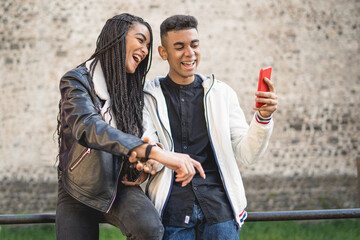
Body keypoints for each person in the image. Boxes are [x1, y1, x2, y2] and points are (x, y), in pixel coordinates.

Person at [55, 13, 204, 240]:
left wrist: (144, 164)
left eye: (148, 45)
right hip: (77, 189)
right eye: (140, 40)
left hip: (119, 186)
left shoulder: (132, 90)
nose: (145, 50)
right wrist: (155, 153)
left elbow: (139, 137)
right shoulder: (76, 81)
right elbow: (87, 126)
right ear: (117, 38)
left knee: (150, 229)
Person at [141, 15, 278, 239]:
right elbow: (150, 149)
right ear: (163, 52)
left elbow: (247, 154)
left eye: (194, 44)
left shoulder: (222, 93)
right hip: (171, 213)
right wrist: (152, 159)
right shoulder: (148, 97)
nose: (190, 53)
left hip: (219, 212)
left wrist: (262, 118)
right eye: (179, 47)